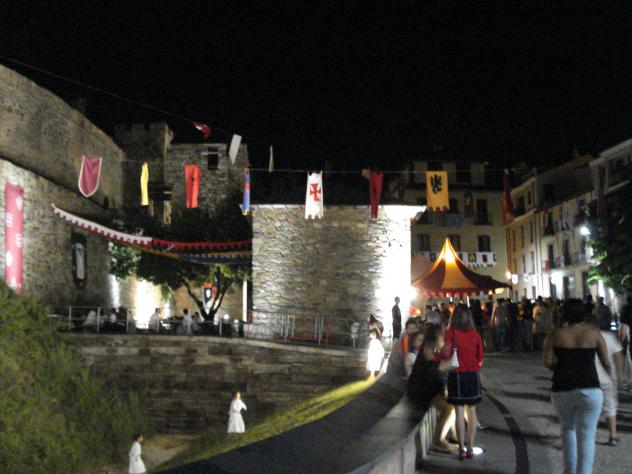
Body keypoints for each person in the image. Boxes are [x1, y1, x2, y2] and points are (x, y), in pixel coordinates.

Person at [544, 299, 611, 474]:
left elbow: (548, 362)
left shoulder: (555, 334)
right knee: (587, 435)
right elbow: (606, 362)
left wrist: (561, 367)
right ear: (584, 313)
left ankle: (569, 471)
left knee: (567, 430)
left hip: (562, 387)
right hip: (590, 387)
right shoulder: (594, 333)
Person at [436, 304, 484, 460]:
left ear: (454, 317)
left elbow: (446, 353)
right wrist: (473, 366)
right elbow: (480, 358)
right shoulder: (475, 334)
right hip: (473, 375)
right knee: (472, 413)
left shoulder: (450, 333)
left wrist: (435, 356)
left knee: (458, 413)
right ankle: (470, 448)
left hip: (456, 375)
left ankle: (461, 449)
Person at [408, 324, 455, 453]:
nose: (443, 337)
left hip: (425, 388)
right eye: (442, 334)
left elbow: (436, 370)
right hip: (421, 390)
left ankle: (440, 438)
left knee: (451, 405)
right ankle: (437, 440)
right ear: (437, 335)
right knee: (448, 407)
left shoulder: (430, 347)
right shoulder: (429, 348)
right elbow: (431, 373)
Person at [593, 312, 624, 446]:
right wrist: (619, 374)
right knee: (610, 407)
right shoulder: (611, 338)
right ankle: (612, 436)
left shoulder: (591, 337)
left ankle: (589, 435)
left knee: (592, 408)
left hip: (592, 378)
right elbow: (618, 357)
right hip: (608, 378)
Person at [619, 318, 632, 387]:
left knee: (627, 362)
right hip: (628, 343)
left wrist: (620, 345)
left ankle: (628, 381)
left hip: (626, 345)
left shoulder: (624, 323)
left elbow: (622, 334)